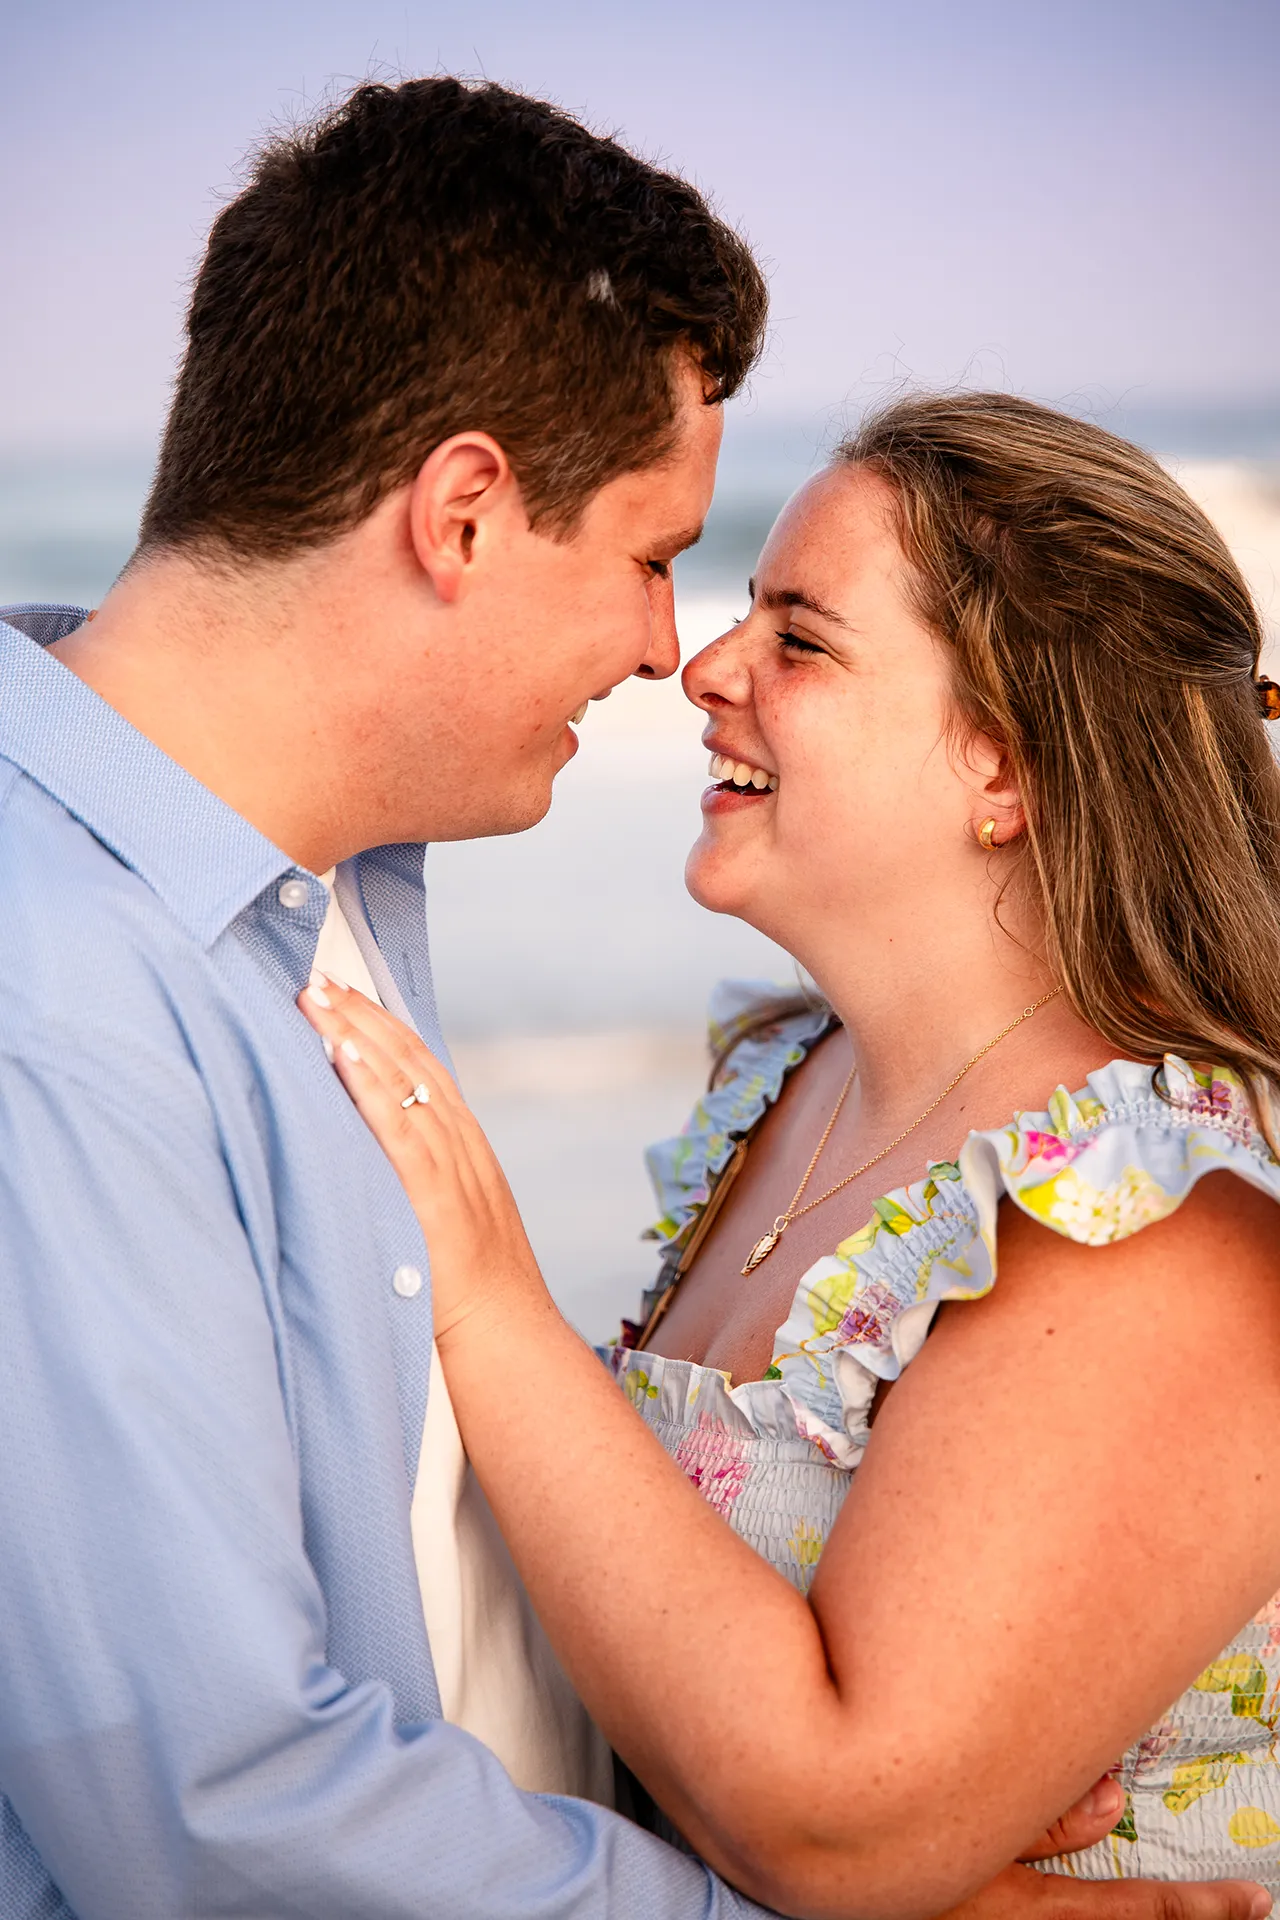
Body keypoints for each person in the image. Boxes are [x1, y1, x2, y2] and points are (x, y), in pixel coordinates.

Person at [298, 391, 1280, 1917]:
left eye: (801, 640)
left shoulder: (1148, 1223)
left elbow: (834, 1826)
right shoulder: (787, 1075)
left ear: (1005, 770)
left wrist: (490, 1301)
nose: (704, 667)